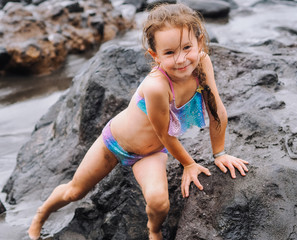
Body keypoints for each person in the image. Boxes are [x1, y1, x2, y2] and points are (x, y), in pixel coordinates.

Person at [28, 3, 249, 240]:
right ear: (155, 56)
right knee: (74, 191)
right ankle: (40, 215)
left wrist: (220, 154)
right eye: (169, 52)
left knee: (158, 202)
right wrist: (188, 164)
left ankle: (153, 231)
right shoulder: (157, 86)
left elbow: (216, 109)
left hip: (151, 153)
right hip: (114, 143)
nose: (181, 59)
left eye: (187, 47)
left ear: (200, 42)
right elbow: (164, 132)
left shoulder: (203, 63)